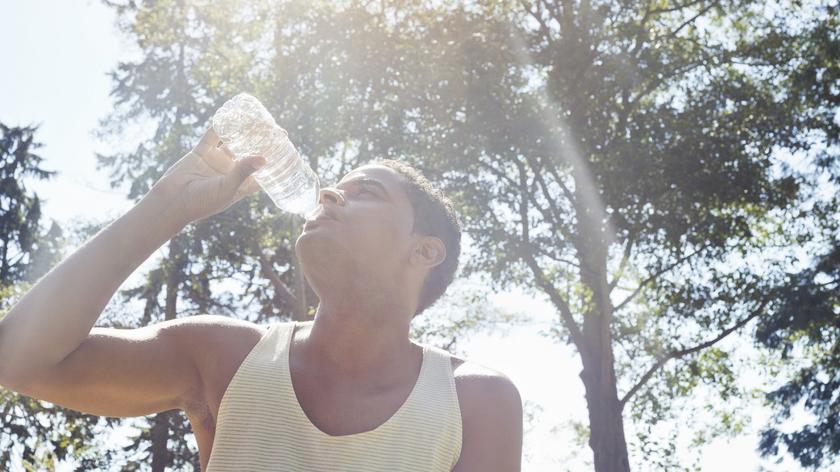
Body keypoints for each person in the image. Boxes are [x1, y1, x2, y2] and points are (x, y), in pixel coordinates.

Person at [0, 126, 523, 471]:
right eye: (334, 187)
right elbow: (17, 360)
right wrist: (168, 206)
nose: (330, 194)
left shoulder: (474, 402)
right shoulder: (221, 357)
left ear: (425, 251)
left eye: (366, 192)